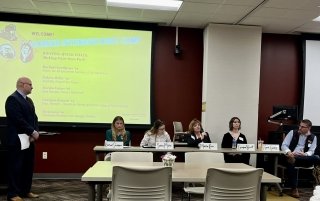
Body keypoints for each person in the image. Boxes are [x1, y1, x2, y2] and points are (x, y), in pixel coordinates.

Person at [5, 77, 40, 201]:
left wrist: (35, 132)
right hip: (17, 140)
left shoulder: (29, 100)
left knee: (28, 166)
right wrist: (32, 131)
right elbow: (18, 119)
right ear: (22, 85)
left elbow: (35, 118)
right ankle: (13, 194)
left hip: (29, 139)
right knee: (16, 166)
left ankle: (25, 191)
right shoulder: (12, 99)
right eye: (30, 84)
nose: (32, 87)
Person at [281, 119, 318, 198]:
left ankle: (318, 185)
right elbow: (284, 145)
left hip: (304, 158)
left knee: (317, 157)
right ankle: (294, 188)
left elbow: (311, 151)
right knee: (292, 161)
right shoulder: (292, 133)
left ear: (308, 128)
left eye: (302, 127)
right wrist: (289, 152)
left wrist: (305, 154)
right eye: (300, 126)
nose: (300, 128)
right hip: (292, 156)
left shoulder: (313, 137)